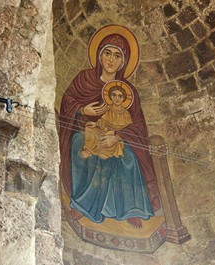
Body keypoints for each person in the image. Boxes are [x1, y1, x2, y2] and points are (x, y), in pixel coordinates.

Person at [59, 26, 160, 229]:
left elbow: (139, 126)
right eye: (107, 53)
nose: (111, 60)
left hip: (117, 138)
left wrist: (119, 136)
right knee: (80, 143)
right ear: (99, 55)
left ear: (123, 62)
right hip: (88, 133)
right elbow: (66, 103)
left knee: (128, 157)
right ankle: (83, 204)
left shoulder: (129, 91)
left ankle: (129, 209)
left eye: (117, 56)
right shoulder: (84, 79)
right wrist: (82, 109)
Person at [80, 82, 133, 160]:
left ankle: (104, 152)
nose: (117, 98)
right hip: (104, 130)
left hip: (115, 135)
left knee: (110, 137)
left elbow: (129, 128)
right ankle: (89, 150)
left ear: (123, 98)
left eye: (120, 96)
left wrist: (117, 135)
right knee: (89, 129)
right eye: (114, 95)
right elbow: (103, 121)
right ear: (110, 97)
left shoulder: (126, 114)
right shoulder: (109, 109)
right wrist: (96, 124)